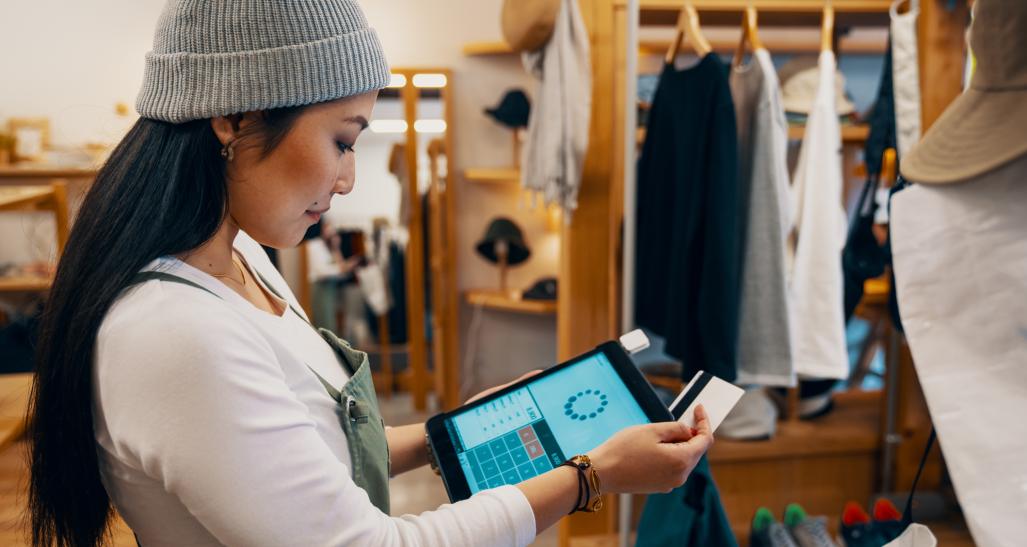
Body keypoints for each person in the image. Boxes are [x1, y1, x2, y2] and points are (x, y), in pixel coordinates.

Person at [27, 1, 715, 546]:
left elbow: (314, 451)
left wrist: (466, 423)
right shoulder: (173, 333)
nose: (349, 178)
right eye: (341, 139)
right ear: (234, 116)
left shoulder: (246, 264)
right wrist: (592, 475)